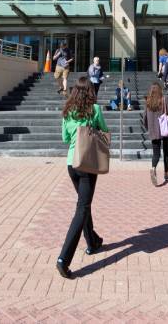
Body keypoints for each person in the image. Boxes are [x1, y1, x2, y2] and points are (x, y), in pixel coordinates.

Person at [57, 76, 108, 279]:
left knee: (83, 204)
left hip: (72, 163)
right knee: (82, 208)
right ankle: (64, 258)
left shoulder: (68, 111)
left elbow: (65, 139)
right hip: (87, 164)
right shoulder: (94, 110)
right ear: (90, 91)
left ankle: (92, 241)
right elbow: (104, 131)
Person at [144, 83, 168, 186]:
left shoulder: (148, 101)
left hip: (153, 130)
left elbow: (145, 117)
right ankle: (166, 173)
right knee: (166, 151)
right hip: (165, 129)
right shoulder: (164, 99)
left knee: (156, 153)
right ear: (160, 90)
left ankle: (153, 168)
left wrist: (148, 128)